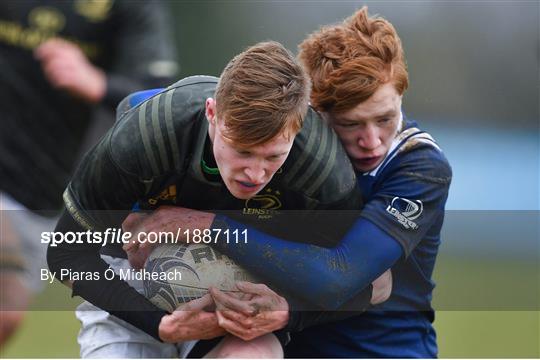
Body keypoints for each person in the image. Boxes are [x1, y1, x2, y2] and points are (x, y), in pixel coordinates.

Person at [48, 41, 387, 358]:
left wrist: (290, 312)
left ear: (296, 131)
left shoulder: (321, 172)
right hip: (129, 285)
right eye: (242, 150)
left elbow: (367, 284)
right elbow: (65, 252)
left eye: (273, 156)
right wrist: (159, 324)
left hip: (245, 297)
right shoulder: (148, 136)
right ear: (212, 113)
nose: (255, 173)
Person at [156, 6, 452, 358]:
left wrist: (206, 227)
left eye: (386, 118)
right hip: (279, 346)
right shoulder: (276, 149)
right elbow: (147, 108)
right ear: (314, 112)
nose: (372, 140)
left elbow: (341, 274)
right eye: (351, 124)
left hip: (383, 351)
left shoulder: (418, 166)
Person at [0, 0, 178, 347]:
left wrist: (98, 84)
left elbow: (161, 98)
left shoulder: (130, 8)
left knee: (8, 317)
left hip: (48, 195)